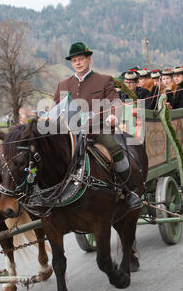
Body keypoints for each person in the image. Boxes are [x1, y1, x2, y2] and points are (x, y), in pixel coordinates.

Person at [54, 42, 142, 209]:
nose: (78, 63)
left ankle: (131, 191)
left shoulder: (103, 80)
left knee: (114, 148)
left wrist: (113, 117)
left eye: (81, 59)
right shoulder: (63, 85)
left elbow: (115, 102)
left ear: (89, 59)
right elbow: (56, 108)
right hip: (71, 134)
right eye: (74, 60)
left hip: (98, 130)